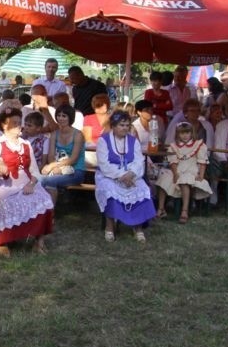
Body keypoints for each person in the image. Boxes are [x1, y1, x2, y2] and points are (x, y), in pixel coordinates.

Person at [0, 107, 54, 254]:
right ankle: (3, 241)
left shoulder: (25, 144)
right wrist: (0, 164)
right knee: (4, 200)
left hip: (25, 182)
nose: (19, 126)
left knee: (44, 198)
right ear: (4, 126)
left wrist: (31, 183)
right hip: (5, 184)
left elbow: (34, 170)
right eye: (14, 123)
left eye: (19, 122)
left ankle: (39, 242)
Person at [95, 110, 156, 243]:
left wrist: (131, 174)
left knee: (142, 188)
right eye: (121, 125)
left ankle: (138, 227)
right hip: (109, 175)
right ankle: (110, 226)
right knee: (109, 189)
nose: (125, 128)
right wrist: (122, 175)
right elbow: (104, 164)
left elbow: (139, 161)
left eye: (127, 125)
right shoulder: (103, 140)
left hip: (131, 175)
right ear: (113, 125)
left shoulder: (133, 141)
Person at [155, 122, 212, 223]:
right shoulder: (174, 146)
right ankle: (161, 208)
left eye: (187, 133)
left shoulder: (198, 145)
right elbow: (173, 162)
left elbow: (202, 161)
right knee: (163, 178)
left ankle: (184, 211)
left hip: (191, 170)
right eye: (182, 133)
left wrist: (201, 175)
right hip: (178, 170)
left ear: (192, 133)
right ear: (177, 134)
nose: (185, 135)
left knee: (184, 180)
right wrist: (175, 174)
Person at [40, 104, 86, 203]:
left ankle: (50, 213)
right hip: (57, 169)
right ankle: (43, 212)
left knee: (47, 181)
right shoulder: (54, 134)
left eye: (64, 116)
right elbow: (51, 156)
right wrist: (55, 167)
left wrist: (53, 166)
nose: (61, 118)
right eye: (59, 115)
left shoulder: (78, 135)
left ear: (70, 118)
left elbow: (73, 159)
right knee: (40, 179)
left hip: (76, 171)